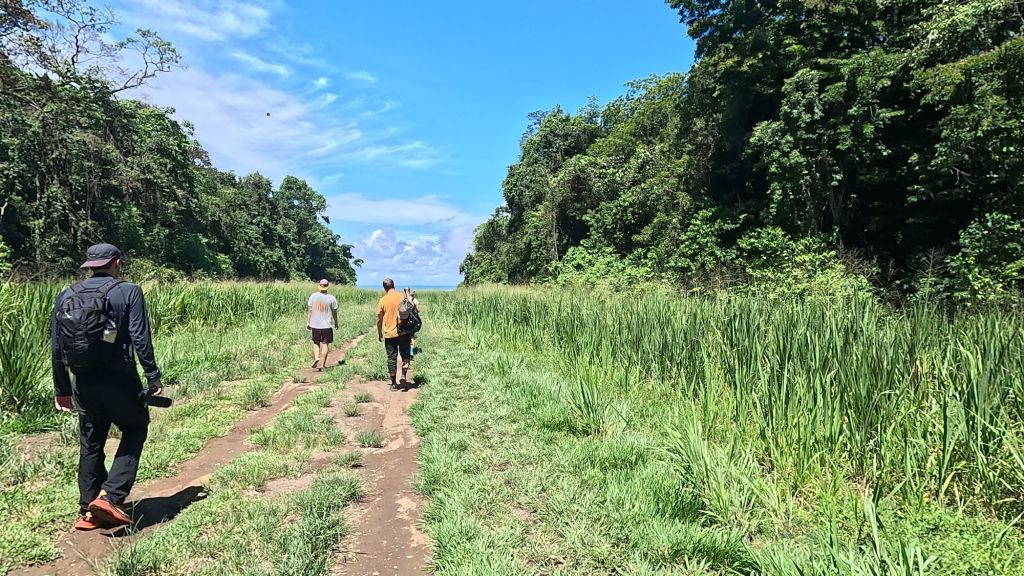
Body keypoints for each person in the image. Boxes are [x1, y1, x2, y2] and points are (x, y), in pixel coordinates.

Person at [51, 243, 162, 530]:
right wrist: (153, 375)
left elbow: (57, 346)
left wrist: (62, 389)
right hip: (120, 379)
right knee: (135, 428)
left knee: (91, 442)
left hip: (82, 381)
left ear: (89, 266)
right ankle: (110, 496)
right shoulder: (129, 291)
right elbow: (140, 337)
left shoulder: (66, 295)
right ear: (117, 263)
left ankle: (88, 508)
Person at [377, 278, 411, 390]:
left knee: (392, 358)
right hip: (404, 332)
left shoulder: (383, 300)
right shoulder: (402, 296)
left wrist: (379, 333)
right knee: (405, 355)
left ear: (384, 288)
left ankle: (393, 384)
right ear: (394, 285)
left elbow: (379, 319)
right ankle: (403, 376)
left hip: (390, 334)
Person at [306, 278, 339, 371]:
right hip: (327, 325)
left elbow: (310, 310)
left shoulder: (313, 296)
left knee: (316, 342)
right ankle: (323, 365)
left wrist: (308, 322)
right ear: (328, 286)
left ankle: (316, 357)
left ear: (319, 286)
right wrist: (336, 322)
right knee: (325, 343)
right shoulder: (332, 298)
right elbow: (334, 312)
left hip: (315, 324)